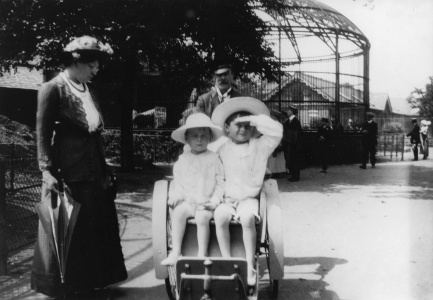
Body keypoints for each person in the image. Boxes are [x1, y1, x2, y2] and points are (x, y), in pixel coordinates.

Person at [32, 36, 127, 297]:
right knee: (70, 227)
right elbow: (42, 134)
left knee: (95, 227)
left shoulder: (88, 89)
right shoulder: (52, 89)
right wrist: (46, 171)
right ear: (76, 61)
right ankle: (64, 287)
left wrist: (105, 168)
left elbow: (93, 129)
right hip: (68, 171)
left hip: (95, 168)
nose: (97, 70)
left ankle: (94, 283)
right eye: (93, 65)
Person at [211, 97, 282, 287]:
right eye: (238, 124)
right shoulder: (220, 148)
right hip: (226, 199)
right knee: (219, 217)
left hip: (248, 199)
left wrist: (255, 120)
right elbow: (198, 153)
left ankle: (251, 264)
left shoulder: (259, 147)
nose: (243, 129)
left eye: (247, 125)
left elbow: (277, 132)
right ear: (226, 128)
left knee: (248, 218)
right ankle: (227, 262)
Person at [161, 113, 224, 265]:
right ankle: (176, 251)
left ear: (209, 138)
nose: (199, 139)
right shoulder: (183, 160)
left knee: (202, 217)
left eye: (203, 136)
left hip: (206, 202)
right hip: (189, 201)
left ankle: (202, 254)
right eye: (195, 136)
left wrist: (214, 201)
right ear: (187, 139)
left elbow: (221, 183)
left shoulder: (214, 158)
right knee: (179, 212)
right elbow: (179, 183)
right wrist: (176, 195)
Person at [282, 105, 303, 181]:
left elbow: (295, 134)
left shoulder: (295, 121)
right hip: (291, 143)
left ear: (292, 112)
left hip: (294, 144)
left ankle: (295, 176)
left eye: (289, 110)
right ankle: (294, 175)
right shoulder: (289, 121)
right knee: (291, 159)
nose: (287, 112)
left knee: (294, 160)